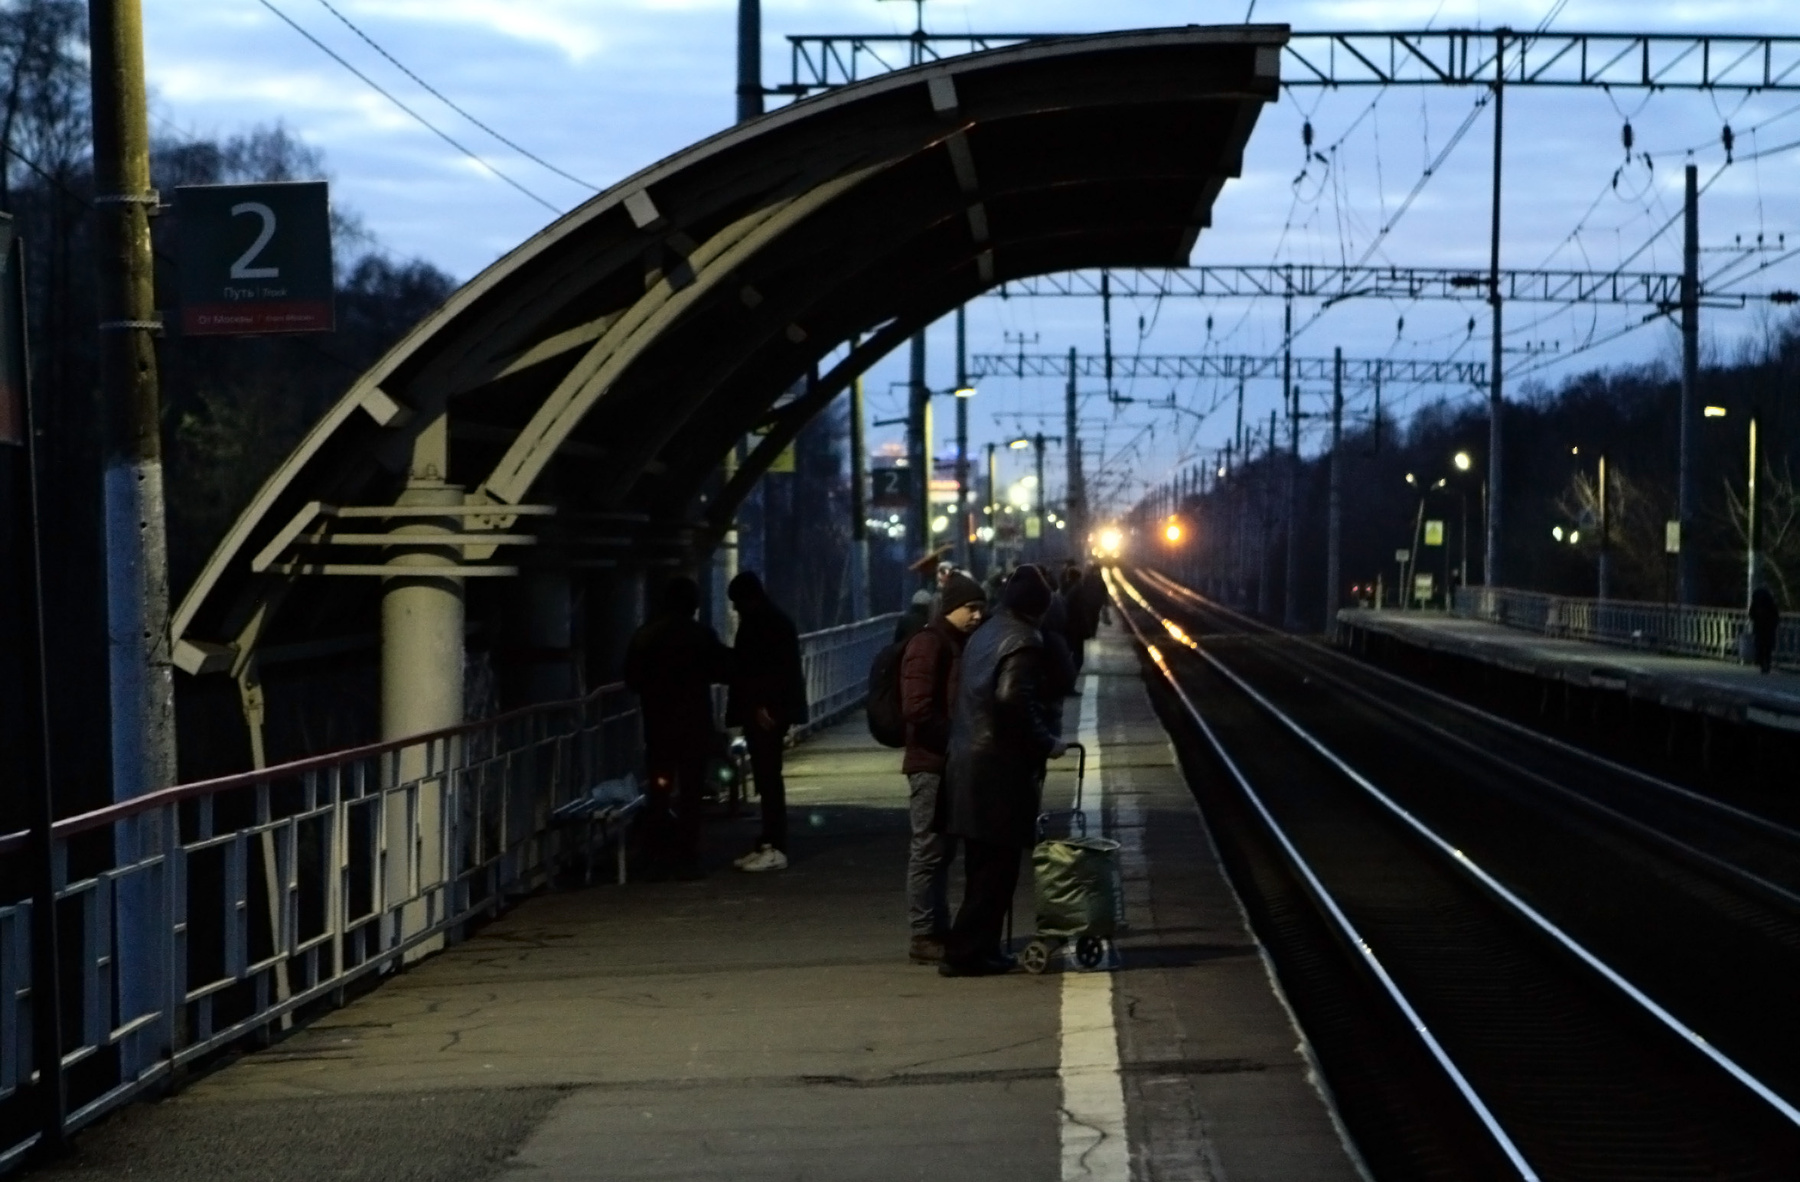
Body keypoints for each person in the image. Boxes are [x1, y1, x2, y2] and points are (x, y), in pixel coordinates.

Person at [938, 566, 1068, 977]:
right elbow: (1013, 699)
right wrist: (1047, 741)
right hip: (996, 773)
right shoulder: (1024, 640)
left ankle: (982, 948)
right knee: (996, 871)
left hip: (966, 763)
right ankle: (967, 953)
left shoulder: (986, 632)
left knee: (981, 867)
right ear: (1040, 609)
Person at [899, 572, 987, 963]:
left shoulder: (957, 643)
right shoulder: (928, 644)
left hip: (948, 764)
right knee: (928, 851)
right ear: (951, 607)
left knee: (942, 852)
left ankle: (938, 928)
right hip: (930, 763)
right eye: (971, 608)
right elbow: (916, 708)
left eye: (981, 608)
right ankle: (923, 934)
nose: (977, 616)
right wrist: (956, 739)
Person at [624, 576, 732, 879]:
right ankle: (686, 855)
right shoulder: (701, 635)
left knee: (659, 788)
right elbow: (723, 669)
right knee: (691, 792)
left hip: (659, 726)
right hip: (694, 726)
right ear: (693, 604)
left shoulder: (646, 636)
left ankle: (655, 851)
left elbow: (632, 678)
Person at [727, 571, 808, 872]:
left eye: (737, 601)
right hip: (769, 710)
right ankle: (768, 842)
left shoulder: (763, 623)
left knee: (768, 777)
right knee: (767, 776)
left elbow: (765, 669)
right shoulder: (774, 620)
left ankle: (775, 845)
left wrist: (763, 706)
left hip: (765, 712)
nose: (735, 608)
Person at [1750, 585, 1780, 675]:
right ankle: (1767, 664)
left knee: (1760, 647)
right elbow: (1776, 616)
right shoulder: (1770, 604)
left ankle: (1762, 663)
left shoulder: (1756, 604)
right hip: (1768, 629)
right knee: (1767, 648)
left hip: (1759, 629)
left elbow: (1751, 615)